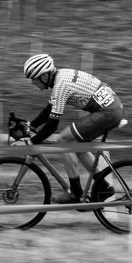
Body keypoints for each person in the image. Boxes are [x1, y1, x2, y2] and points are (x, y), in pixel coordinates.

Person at [22, 53, 124, 203]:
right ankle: (104, 187)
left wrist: (32, 142)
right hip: (110, 109)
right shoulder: (61, 77)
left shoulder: (61, 86)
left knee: (63, 139)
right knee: (76, 146)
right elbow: (48, 110)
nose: (33, 83)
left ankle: (75, 193)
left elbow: (52, 125)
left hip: (107, 112)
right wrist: (30, 125)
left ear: (44, 77)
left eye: (33, 79)